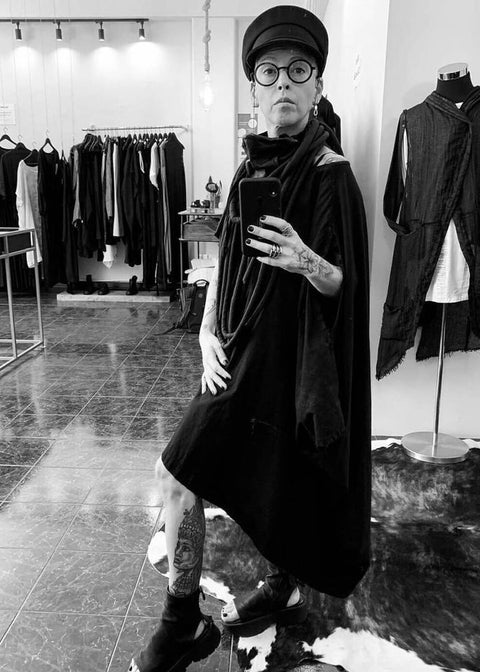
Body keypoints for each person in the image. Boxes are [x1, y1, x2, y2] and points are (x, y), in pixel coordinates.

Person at [129, 6, 371, 672]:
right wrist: (208, 330)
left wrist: (306, 260)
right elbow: (226, 258)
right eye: (269, 72)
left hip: (290, 364)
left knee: (218, 474)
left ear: (317, 85)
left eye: (299, 70)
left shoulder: (330, 172)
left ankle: (200, 619)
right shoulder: (246, 169)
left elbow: (345, 284)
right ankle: (204, 616)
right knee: (216, 474)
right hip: (238, 353)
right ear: (255, 88)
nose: (283, 82)